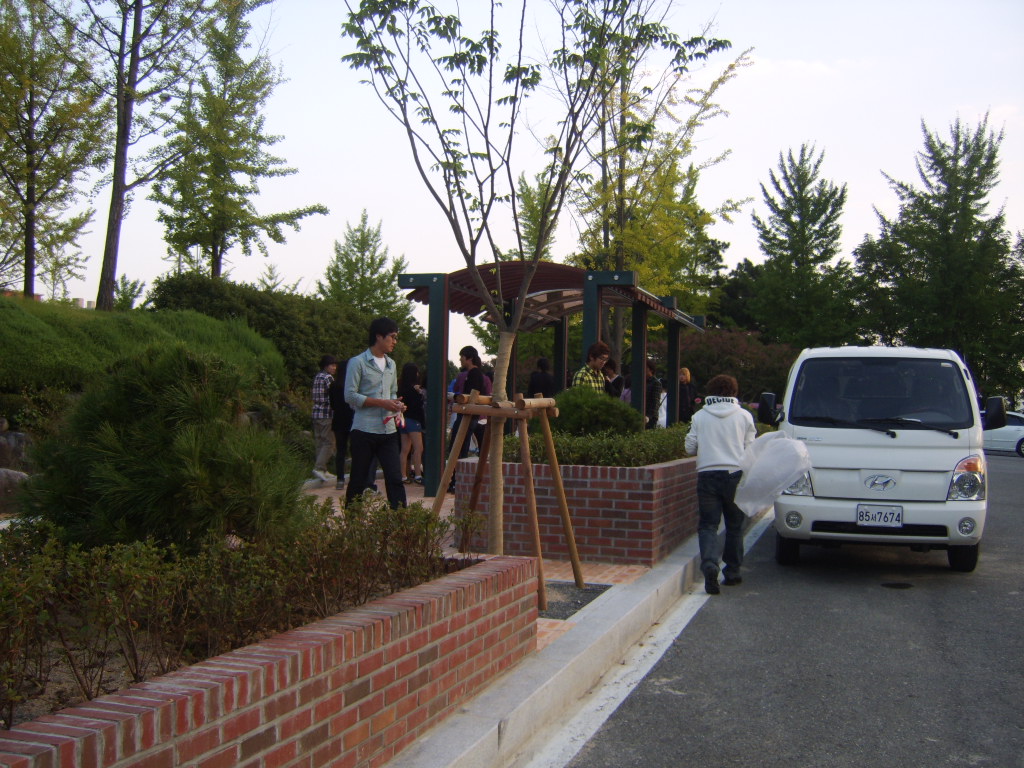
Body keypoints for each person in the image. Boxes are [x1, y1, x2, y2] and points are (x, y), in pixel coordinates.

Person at [683, 374, 756, 595]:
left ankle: (709, 565)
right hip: (735, 474)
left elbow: (689, 448)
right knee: (734, 525)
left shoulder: (700, 416)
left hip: (707, 474)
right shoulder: (744, 416)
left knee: (708, 525)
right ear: (734, 392)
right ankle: (732, 572)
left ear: (711, 391)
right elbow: (751, 449)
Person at [344, 317, 407, 509]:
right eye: (392, 337)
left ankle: (401, 521)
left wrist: (396, 405)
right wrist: (382, 403)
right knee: (359, 479)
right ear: (379, 336)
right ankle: (352, 521)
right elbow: (350, 395)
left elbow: (393, 392)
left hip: (388, 431)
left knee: (395, 478)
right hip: (364, 430)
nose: (395, 341)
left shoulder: (391, 364)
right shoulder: (357, 363)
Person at [447, 346, 487, 492]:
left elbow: (471, 395)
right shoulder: (475, 373)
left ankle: (456, 481)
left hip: (468, 416)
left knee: (458, 448)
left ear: (469, 358)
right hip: (471, 416)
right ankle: (456, 481)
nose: (460, 359)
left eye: (462, 356)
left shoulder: (474, 374)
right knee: (460, 449)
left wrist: (455, 397)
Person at [398, 362, 426, 484]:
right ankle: (418, 475)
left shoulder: (401, 387)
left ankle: (403, 475)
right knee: (418, 448)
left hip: (403, 419)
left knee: (404, 449)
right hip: (414, 420)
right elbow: (418, 405)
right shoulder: (414, 389)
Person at [311, 354, 337, 483]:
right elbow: (333, 396)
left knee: (320, 442)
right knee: (330, 442)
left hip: (316, 414)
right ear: (326, 366)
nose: (334, 368)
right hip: (326, 414)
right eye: (332, 365)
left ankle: (322, 469)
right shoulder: (328, 378)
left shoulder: (317, 376)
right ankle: (320, 467)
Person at [644, 359, 662, 429]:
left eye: (646, 368)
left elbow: (656, 401)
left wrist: (649, 416)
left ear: (651, 370)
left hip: (650, 417)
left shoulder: (656, 383)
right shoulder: (642, 381)